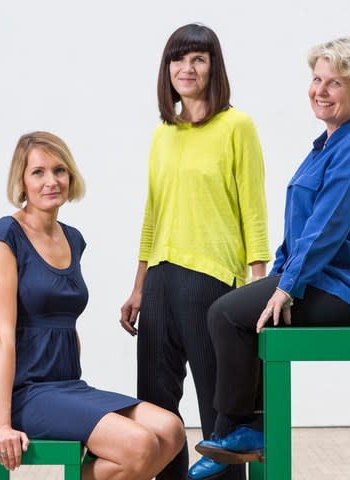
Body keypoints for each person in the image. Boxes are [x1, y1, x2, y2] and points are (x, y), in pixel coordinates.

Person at [192, 37, 350, 473]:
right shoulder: (328, 142)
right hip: (328, 276)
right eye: (316, 79)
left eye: (335, 83)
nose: (320, 90)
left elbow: (327, 227)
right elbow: (301, 226)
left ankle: (239, 427)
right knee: (243, 313)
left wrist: (286, 286)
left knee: (226, 315)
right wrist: (280, 274)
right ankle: (247, 428)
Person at [0, 131, 185, 480]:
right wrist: (1, 424)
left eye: (59, 170)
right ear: (22, 180)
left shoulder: (72, 238)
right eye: (38, 172)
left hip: (66, 384)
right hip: (24, 391)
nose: (51, 181)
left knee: (171, 429)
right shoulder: (6, 237)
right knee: (139, 445)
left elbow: (64, 319)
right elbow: (2, 337)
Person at [120, 23, 271, 480]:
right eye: (178, 59)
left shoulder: (236, 126)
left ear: (213, 67)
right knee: (156, 409)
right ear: (167, 69)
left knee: (217, 410)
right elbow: (153, 214)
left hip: (211, 282)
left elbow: (254, 210)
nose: (187, 68)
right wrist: (138, 286)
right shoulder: (163, 134)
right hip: (161, 281)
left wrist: (258, 286)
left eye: (198, 59)